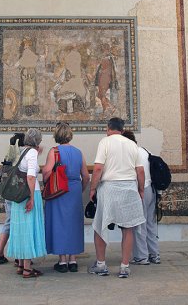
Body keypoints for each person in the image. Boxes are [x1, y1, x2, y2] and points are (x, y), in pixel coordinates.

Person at [88, 117, 145, 278]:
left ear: (108, 128)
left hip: (109, 187)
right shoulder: (132, 144)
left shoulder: (105, 142)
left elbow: (98, 168)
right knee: (128, 228)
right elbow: (140, 171)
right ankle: (124, 266)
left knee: (100, 226)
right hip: (129, 187)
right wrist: (141, 190)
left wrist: (93, 189)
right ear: (122, 129)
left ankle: (101, 264)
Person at [43, 122, 90, 273]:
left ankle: (62, 261)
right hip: (74, 190)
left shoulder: (54, 152)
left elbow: (47, 173)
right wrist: (80, 189)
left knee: (59, 223)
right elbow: (85, 176)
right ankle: (73, 259)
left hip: (59, 190)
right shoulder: (78, 152)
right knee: (74, 223)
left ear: (56, 135)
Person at [7, 128, 46, 278]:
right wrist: (31, 198)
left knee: (21, 230)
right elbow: (31, 176)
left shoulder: (19, 152)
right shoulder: (32, 153)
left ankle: (21, 265)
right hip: (29, 192)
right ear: (37, 142)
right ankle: (28, 269)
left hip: (17, 194)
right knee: (30, 228)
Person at [122, 130, 161, 265]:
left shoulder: (131, 153)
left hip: (140, 190)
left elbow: (139, 173)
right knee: (150, 223)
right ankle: (154, 254)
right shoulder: (144, 150)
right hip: (152, 190)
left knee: (138, 224)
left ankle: (141, 256)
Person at [0, 133, 25, 265]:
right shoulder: (22, 159)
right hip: (19, 196)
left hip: (8, 196)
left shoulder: (8, 159)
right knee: (19, 225)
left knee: (8, 223)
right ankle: (19, 256)